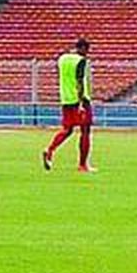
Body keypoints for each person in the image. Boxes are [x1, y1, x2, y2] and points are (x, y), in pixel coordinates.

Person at [43, 38, 96, 173]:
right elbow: (79, 81)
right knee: (85, 131)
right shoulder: (81, 61)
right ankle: (82, 165)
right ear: (83, 49)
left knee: (67, 129)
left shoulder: (63, 58)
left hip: (66, 99)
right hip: (80, 100)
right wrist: (81, 103)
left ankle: (50, 150)